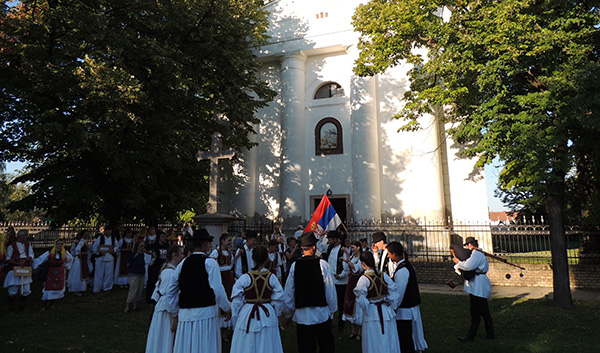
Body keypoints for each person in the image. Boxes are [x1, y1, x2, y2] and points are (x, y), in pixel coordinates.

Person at [170, 229, 232, 353]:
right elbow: (218, 289)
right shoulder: (210, 263)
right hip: (206, 313)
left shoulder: (183, 264)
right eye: (209, 242)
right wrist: (227, 308)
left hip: (186, 313)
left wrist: (174, 311)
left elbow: (171, 289)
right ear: (204, 243)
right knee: (205, 345)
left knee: (188, 345)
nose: (210, 245)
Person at [283, 232, 337, 353]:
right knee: (326, 347)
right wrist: (332, 312)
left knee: (306, 348)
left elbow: (289, 292)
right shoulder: (322, 265)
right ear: (314, 247)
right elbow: (330, 291)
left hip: (303, 316)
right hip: (321, 314)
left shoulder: (295, 266)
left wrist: (287, 314)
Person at [229, 246, 284, 353]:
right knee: (267, 342)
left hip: (247, 313)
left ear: (252, 257)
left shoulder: (245, 278)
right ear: (267, 258)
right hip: (267, 313)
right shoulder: (271, 277)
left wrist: (236, 319)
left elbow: (236, 302)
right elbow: (279, 299)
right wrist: (275, 312)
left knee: (246, 343)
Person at [354, 251, 400, 353]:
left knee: (374, 339)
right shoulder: (383, 275)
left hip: (372, 313)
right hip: (386, 311)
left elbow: (361, 299)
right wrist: (391, 305)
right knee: (388, 338)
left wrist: (367, 310)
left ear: (363, 264)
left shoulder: (364, 279)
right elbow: (394, 292)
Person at [387, 241, 428, 353]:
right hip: (407, 308)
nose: (388, 256)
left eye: (389, 254)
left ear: (394, 254)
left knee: (405, 339)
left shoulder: (402, 271)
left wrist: (393, 307)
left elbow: (399, 293)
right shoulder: (407, 266)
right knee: (407, 337)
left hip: (405, 311)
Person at [453, 236, 495, 342]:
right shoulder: (476, 254)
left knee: (476, 313)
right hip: (477, 285)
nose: (467, 247)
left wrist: (458, 262)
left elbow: (468, 266)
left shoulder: (477, 254)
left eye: (467, 245)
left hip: (479, 287)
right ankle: (490, 334)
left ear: (470, 245)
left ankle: (470, 337)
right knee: (484, 312)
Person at [145, 244, 184, 353]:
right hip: (166, 311)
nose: (183, 256)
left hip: (170, 309)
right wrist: (173, 317)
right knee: (165, 335)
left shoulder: (171, 270)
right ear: (174, 255)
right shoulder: (169, 272)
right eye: (181, 254)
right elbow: (168, 295)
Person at [35, 238, 74, 310]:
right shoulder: (50, 252)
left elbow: (71, 258)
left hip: (60, 272)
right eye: (58, 244)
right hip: (51, 272)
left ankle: (52, 304)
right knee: (47, 288)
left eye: (61, 244)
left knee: (56, 289)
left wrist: (66, 266)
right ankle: (43, 305)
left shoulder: (64, 252)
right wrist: (34, 263)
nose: (59, 245)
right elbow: (41, 259)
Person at [209, 233, 236, 337]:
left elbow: (231, 264)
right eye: (228, 241)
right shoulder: (216, 252)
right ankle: (219, 330)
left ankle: (225, 330)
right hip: (220, 277)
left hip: (228, 277)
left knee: (229, 297)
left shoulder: (229, 253)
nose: (230, 243)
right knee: (221, 297)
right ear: (222, 241)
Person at [322, 230, 349, 332]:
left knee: (341, 303)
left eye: (331, 239)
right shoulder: (329, 248)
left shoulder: (343, 250)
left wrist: (340, 275)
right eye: (328, 239)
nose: (329, 241)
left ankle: (341, 324)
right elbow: (320, 246)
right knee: (330, 300)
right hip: (331, 281)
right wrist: (322, 236)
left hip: (340, 281)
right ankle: (330, 321)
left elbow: (346, 266)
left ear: (337, 239)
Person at [4, 229, 34, 313]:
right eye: (25, 235)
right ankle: (11, 308)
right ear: (20, 236)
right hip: (14, 269)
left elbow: (31, 255)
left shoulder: (28, 245)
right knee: (13, 290)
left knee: (26, 290)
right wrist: (17, 262)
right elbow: (8, 259)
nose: (27, 237)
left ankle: (22, 307)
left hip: (25, 269)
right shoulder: (12, 246)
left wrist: (27, 259)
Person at [342, 240, 364, 341]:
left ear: (358, 248)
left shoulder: (361, 258)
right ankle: (353, 331)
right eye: (351, 248)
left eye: (353, 247)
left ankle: (360, 332)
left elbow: (357, 268)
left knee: (358, 306)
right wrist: (347, 256)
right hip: (351, 282)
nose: (352, 250)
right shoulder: (352, 257)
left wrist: (346, 258)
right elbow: (348, 267)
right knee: (349, 304)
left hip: (358, 282)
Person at [91, 225, 119, 293]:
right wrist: (99, 252)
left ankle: (107, 287)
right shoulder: (100, 238)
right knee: (99, 274)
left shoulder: (113, 238)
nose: (109, 232)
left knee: (108, 274)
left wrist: (114, 250)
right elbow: (94, 248)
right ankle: (98, 288)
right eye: (107, 230)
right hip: (100, 258)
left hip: (109, 258)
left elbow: (117, 246)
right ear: (104, 231)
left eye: (110, 231)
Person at [124, 239, 147, 313]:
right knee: (133, 290)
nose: (142, 247)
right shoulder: (134, 254)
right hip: (134, 273)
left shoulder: (143, 254)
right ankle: (127, 306)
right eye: (141, 246)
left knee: (139, 290)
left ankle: (135, 305)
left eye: (143, 246)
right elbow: (128, 264)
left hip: (141, 273)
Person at [147, 230, 169, 304]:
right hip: (155, 266)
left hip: (163, 266)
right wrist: (151, 254)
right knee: (152, 282)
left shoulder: (167, 245)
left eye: (164, 237)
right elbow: (145, 247)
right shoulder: (154, 245)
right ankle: (150, 299)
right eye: (162, 237)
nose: (164, 238)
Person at [68, 230, 93, 295]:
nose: (87, 236)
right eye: (86, 234)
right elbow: (77, 248)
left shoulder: (84, 241)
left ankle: (81, 288)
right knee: (79, 274)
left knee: (83, 272)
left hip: (84, 259)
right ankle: (77, 289)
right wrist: (78, 253)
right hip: (80, 260)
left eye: (88, 234)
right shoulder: (82, 241)